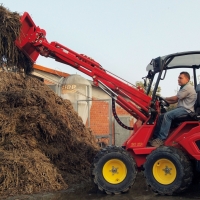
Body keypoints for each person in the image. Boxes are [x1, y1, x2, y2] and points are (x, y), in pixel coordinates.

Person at [150, 71, 197, 147]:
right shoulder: (183, 88)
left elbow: (175, 98)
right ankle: (156, 137)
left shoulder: (187, 88)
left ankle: (161, 139)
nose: (178, 79)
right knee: (161, 116)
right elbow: (175, 100)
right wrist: (163, 101)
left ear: (187, 79)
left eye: (180, 78)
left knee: (168, 116)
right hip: (182, 108)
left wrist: (163, 98)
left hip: (186, 110)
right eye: (178, 78)